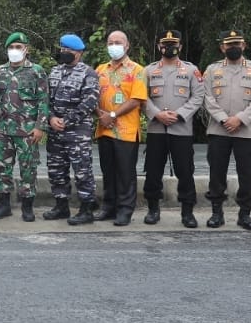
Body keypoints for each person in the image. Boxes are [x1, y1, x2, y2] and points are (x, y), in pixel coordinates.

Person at [203, 30, 251, 231]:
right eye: (229, 44)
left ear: (244, 45)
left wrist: (239, 119)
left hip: (246, 131)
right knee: (216, 173)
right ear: (222, 47)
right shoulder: (212, 70)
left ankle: (245, 214)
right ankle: (216, 212)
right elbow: (207, 98)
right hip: (218, 130)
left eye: (237, 44)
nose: (233, 48)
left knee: (247, 174)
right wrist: (224, 120)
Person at [142, 29, 204, 228]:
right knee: (152, 171)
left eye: (173, 44)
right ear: (159, 47)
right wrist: (157, 114)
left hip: (181, 129)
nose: (169, 47)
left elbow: (198, 97)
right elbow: (142, 97)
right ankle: (153, 209)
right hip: (156, 129)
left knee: (185, 172)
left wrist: (179, 114)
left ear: (180, 46)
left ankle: (187, 212)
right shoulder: (148, 71)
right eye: (165, 44)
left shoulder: (191, 70)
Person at [0, 32, 49, 222]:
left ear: (26, 50)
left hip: (27, 131)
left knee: (28, 169)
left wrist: (40, 127)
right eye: (11, 48)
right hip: (3, 131)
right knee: (1, 169)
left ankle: (27, 207)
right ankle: (4, 205)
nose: (15, 51)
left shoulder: (37, 71)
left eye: (18, 47)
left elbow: (43, 101)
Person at [43, 33, 101, 225]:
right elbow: (46, 100)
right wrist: (51, 118)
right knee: (56, 170)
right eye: (63, 49)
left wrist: (66, 121)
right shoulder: (54, 72)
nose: (65, 53)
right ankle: (61, 206)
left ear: (80, 52)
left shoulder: (89, 74)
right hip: (55, 131)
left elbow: (89, 103)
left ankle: (86, 209)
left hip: (77, 132)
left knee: (82, 171)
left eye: (70, 50)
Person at [94, 31, 147, 226]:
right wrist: (101, 115)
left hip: (125, 130)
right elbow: (92, 96)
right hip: (104, 128)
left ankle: (125, 210)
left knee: (125, 173)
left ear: (127, 46)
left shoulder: (137, 70)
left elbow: (136, 100)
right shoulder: (100, 70)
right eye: (110, 42)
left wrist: (113, 115)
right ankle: (109, 207)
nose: (113, 45)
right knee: (108, 171)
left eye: (118, 42)